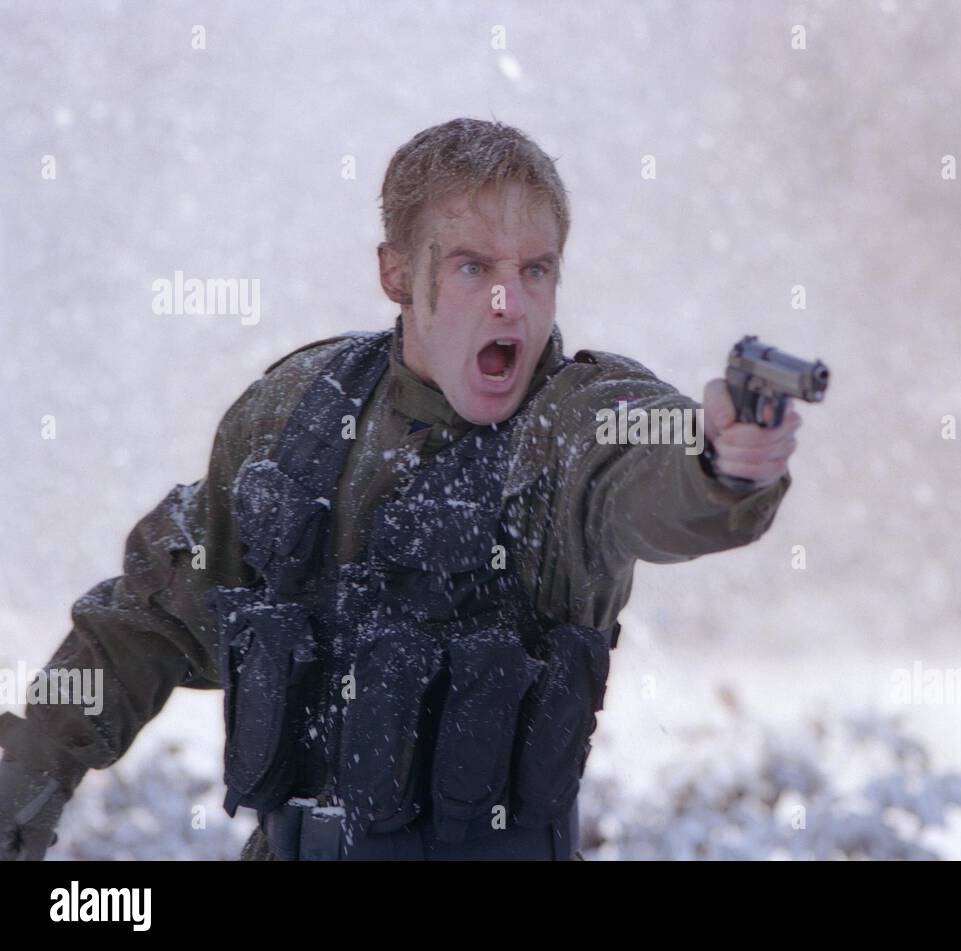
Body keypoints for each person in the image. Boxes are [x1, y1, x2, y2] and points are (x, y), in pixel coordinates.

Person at [0, 118, 801, 861]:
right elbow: (144, 624)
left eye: (535, 269)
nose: (508, 302)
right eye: (471, 267)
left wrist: (719, 462)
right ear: (395, 271)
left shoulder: (572, 421)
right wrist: (19, 792)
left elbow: (642, 464)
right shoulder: (296, 416)